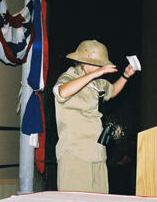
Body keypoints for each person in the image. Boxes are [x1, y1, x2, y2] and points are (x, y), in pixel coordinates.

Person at [53, 40, 136, 193]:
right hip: (75, 154)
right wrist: (97, 73)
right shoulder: (69, 77)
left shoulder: (97, 83)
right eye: (97, 64)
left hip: (97, 152)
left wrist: (125, 76)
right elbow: (62, 92)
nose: (100, 67)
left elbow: (111, 92)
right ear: (83, 62)